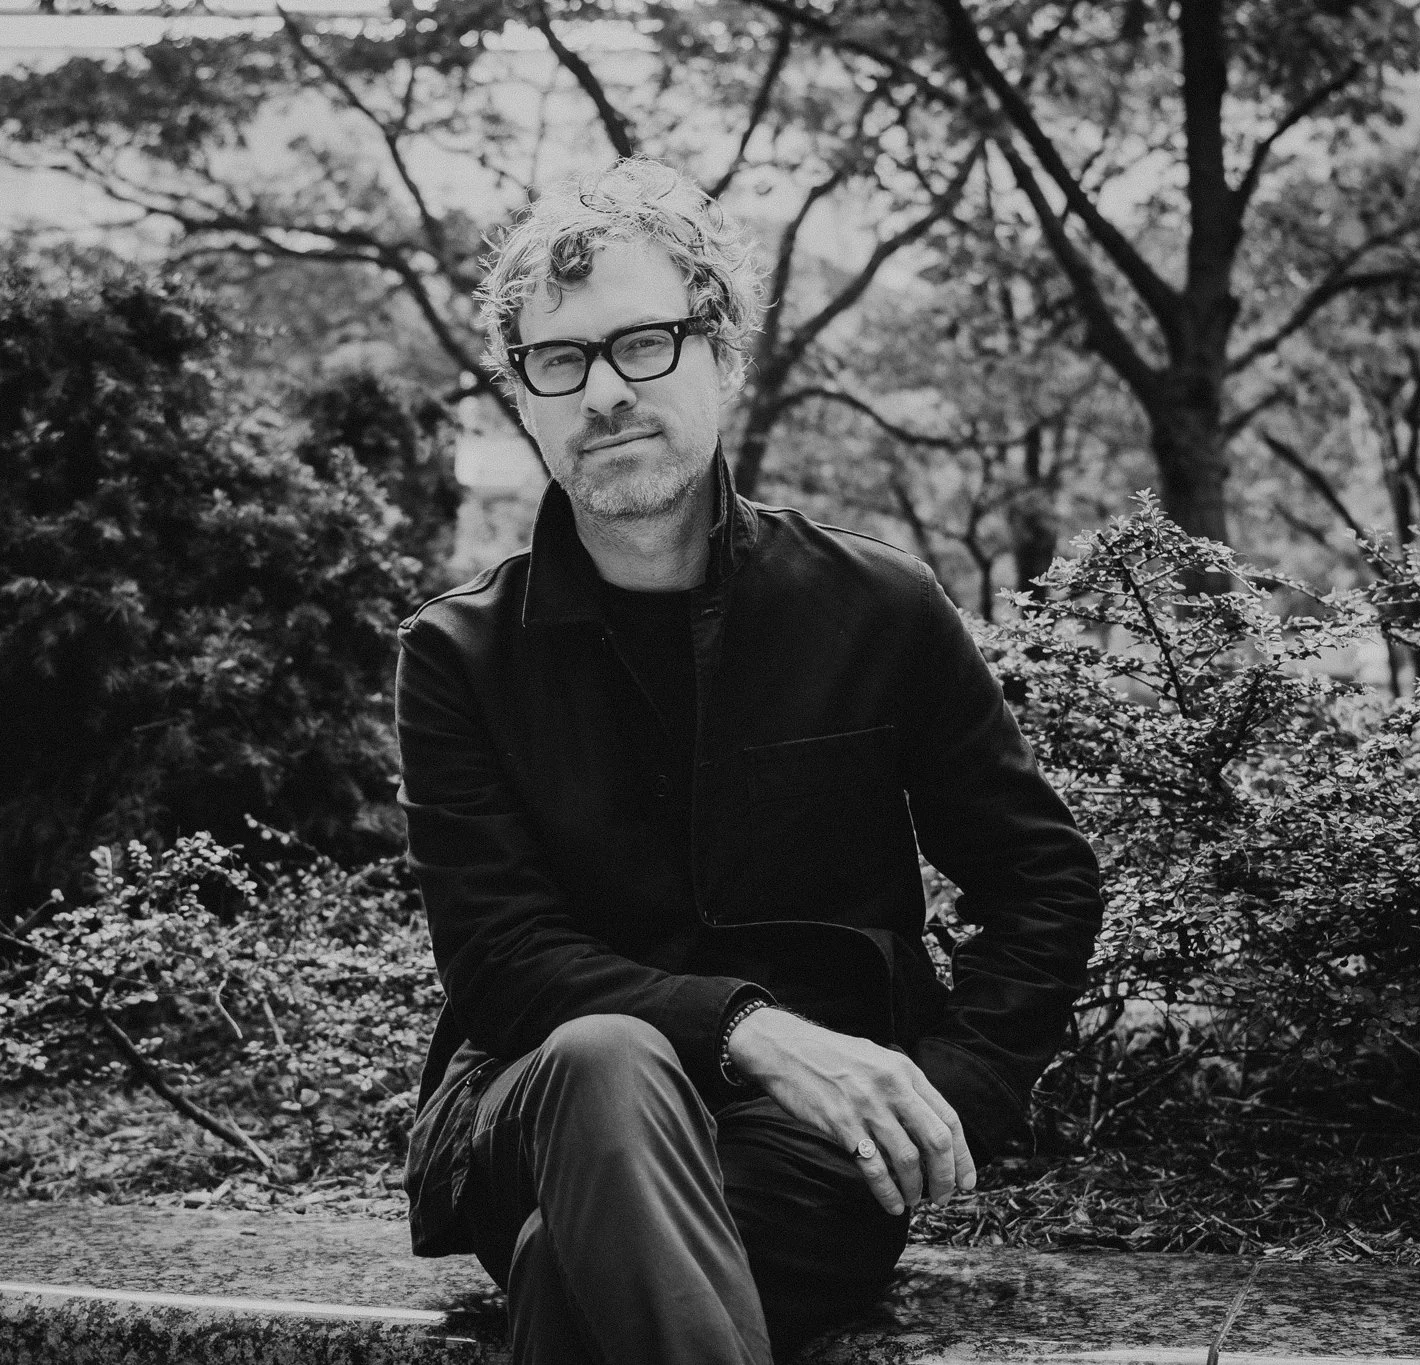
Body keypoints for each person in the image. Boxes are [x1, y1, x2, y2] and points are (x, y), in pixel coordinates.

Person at [394, 158, 1102, 1365]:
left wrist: (947, 1095)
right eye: (559, 361)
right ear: (524, 400)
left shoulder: (877, 607)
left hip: (806, 1144)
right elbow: (502, 957)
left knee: (576, 1264)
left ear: (721, 355)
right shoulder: (458, 654)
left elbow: (1040, 883)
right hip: (535, 1112)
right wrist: (746, 1030)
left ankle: (571, 1265)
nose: (604, 390)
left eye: (644, 344)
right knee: (604, 1058)